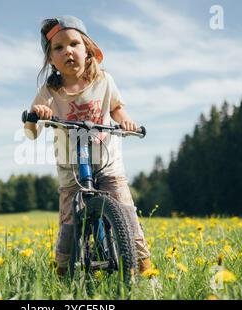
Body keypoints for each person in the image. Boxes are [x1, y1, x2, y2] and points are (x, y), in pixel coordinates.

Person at [23, 15, 151, 276]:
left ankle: (145, 268)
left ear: (88, 49)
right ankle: (62, 272)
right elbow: (32, 131)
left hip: (107, 161)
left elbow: (116, 107)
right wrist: (36, 114)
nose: (67, 51)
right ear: (50, 59)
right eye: (58, 48)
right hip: (72, 167)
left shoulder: (104, 80)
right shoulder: (50, 90)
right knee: (69, 222)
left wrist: (125, 122)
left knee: (126, 211)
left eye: (73, 44)